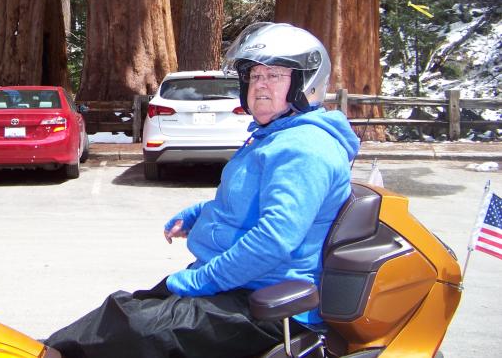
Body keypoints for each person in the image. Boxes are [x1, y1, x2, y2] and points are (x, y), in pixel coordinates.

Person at [46, 22, 360, 358]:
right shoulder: (275, 136)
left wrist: (200, 282)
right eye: (254, 76)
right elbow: (248, 202)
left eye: (275, 75)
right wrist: (199, 215)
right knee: (123, 313)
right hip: (238, 285)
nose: (261, 85)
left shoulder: (304, 148)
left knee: (126, 328)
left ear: (305, 83)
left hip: (266, 302)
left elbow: (274, 239)